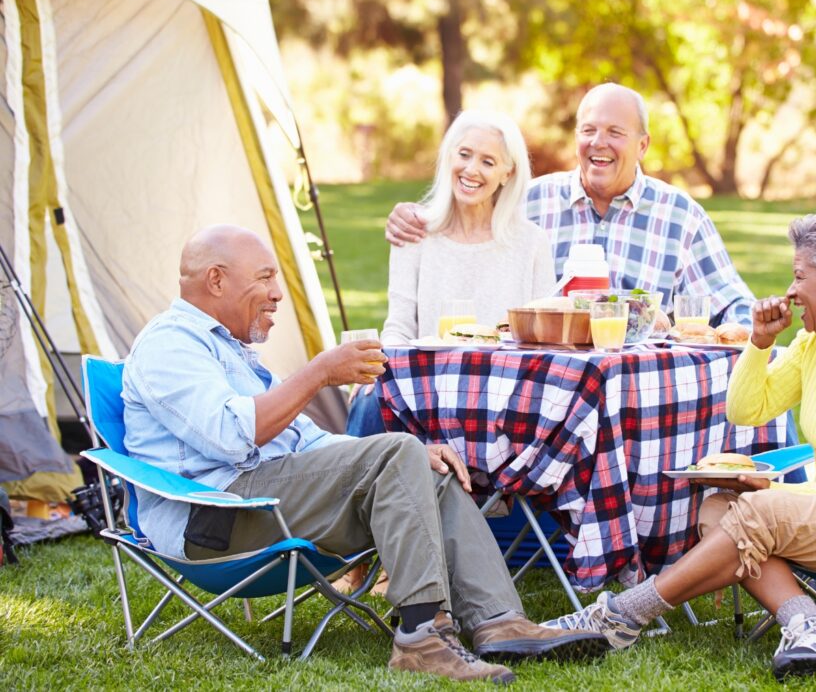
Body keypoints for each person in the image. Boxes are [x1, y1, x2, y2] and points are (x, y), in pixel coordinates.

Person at [121, 225, 608, 683]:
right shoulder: (169, 346)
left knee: (423, 462)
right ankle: (421, 637)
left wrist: (408, 456)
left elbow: (308, 445)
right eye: (265, 278)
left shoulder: (228, 351)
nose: (277, 293)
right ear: (216, 280)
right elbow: (232, 436)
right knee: (399, 453)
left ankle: (500, 622)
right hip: (219, 518)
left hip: (272, 499)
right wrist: (319, 373)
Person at [539, 212, 816, 679]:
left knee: (756, 511)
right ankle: (811, 625)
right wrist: (760, 343)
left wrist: (774, 496)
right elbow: (745, 410)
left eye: (801, 276)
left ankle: (621, 615)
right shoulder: (813, 345)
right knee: (721, 508)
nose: (791, 289)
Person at [384, 83, 754, 327]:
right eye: (589, 130)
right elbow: (468, 200)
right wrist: (411, 215)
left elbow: (734, 308)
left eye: (615, 133)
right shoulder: (529, 202)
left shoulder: (680, 216)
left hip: (641, 383)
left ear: (642, 145)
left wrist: (754, 341)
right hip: (553, 384)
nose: (599, 143)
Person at [346, 110, 555, 436]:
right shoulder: (415, 233)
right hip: (424, 389)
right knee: (369, 400)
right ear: (449, 158)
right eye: (464, 154)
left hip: (503, 392)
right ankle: (351, 486)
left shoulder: (531, 243)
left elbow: (545, 340)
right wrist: (383, 374)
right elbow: (399, 327)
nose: (471, 169)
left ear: (507, 173)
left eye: (488, 161)